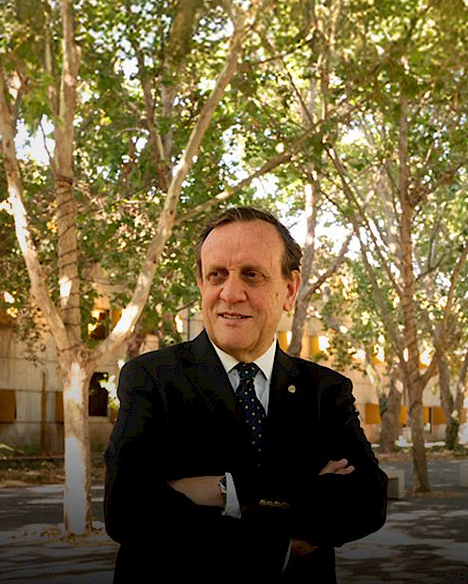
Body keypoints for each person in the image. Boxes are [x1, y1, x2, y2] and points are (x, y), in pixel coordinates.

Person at [104, 206, 387, 583]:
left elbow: (367, 500)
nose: (231, 293)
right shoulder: (152, 378)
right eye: (217, 275)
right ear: (202, 283)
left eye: (251, 275)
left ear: (289, 289)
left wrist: (223, 492)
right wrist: (291, 524)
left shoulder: (326, 391)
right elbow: (129, 511)